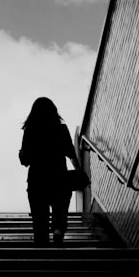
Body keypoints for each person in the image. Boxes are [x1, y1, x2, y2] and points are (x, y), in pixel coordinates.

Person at [18, 97, 81, 246]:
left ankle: (42, 252)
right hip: (59, 178)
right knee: (60, 209)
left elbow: (25, 159)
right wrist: (79, 171)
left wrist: (22, 154)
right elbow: (71, 153)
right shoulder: (61, 129)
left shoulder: (30, 131)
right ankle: (58, 229)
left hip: (37, 182)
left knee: (40, 221)